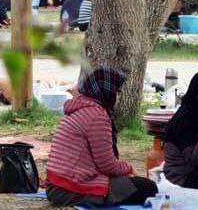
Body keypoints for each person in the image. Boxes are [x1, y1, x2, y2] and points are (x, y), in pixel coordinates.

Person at [45, 68, 158, 207]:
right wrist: (129, 169)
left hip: (56, 186)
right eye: (117, 92)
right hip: (69, 189)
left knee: (131, 183)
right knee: (148, 187)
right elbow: (107, 165)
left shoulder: (81, 108)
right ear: (107, 92)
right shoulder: (97, 116)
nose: (119, 97)